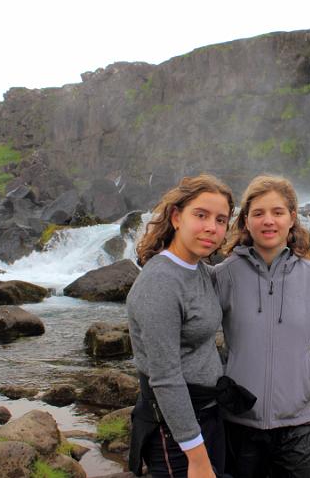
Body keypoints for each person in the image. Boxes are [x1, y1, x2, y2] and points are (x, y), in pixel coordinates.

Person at [214, 175, 310, 477]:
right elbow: (199, 335)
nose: (268, 221)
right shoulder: (224, 275)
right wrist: (222, 378)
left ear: (292, 218)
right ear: (246, 221)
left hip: (296, 427)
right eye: (258, 213)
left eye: (277, 212)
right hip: (238, 425)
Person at [127, 174, 236, 477]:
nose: (211, 227)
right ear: (176, 217)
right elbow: (164, 376)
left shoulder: (198, 268)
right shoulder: (161, 282)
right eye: (200, 215)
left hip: (205, 417)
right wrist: (197, 457)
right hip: (175, 432)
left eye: (220, 220)